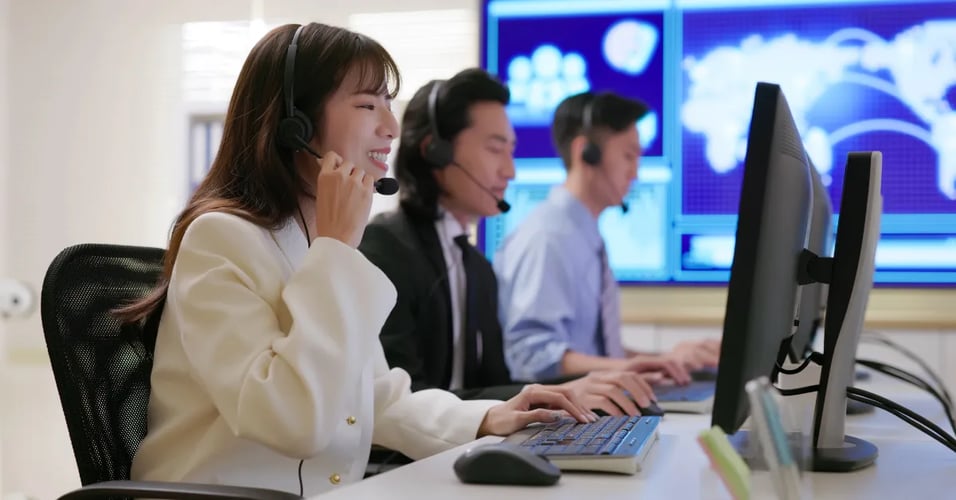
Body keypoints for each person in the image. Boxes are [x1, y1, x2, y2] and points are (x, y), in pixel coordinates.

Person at [118, 23, 595, 497]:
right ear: (294, 124)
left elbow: (374, 395)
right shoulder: (221, 239)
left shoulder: (313, 243)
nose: (390, 127)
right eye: (368, 105)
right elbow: (291, 419)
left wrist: (490, 415)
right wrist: (337, 249)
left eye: (389, 104)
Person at [358, 68, 660, 418]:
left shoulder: (475, 266)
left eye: (511, 152)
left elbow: (490, 386)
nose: (510, 171)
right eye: (495, 150)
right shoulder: (384, 250)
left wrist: (561, 395)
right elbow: (398, 402)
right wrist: (557, 391)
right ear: (436, 152)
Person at [495, 91, 720, 383]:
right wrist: (637, 367)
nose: (635, 173)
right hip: (560, 421)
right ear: (586, 152)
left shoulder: (583, 235)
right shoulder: (547, 238)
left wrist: (665, 361)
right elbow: (531, 357)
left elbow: (594, 353)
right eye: (628, 156)